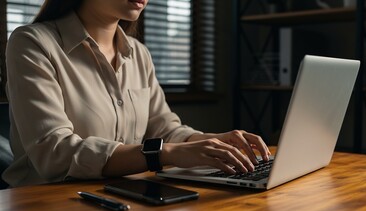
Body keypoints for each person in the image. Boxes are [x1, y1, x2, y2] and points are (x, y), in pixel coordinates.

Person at [2, 0, 271, 187]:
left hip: (121, 197)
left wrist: (211, 143)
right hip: (45, 204)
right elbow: (54, 153)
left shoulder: (138, 53)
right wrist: (167, 154)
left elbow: (164, 128)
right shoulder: (33, 43)